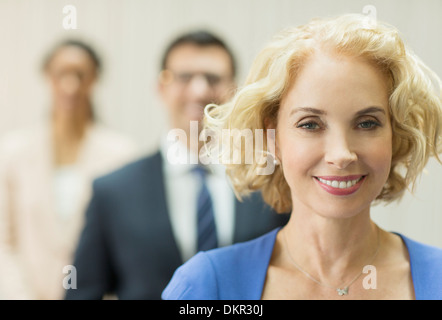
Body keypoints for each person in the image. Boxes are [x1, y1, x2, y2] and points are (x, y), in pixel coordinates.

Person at [162, 14, 442, 300]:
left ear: (395, 134)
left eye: (367, 123)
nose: (341, 154)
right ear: (273, 139)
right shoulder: (207, 285)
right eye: (310, 124)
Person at [65, 30, 288, 300]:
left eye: (213, 78)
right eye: (184, 77)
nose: (199, 90)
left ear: (235, 90)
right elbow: (81, 292)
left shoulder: (269, 179)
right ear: (161, 87)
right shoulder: (113, 192)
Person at [0, 39, 138, 299]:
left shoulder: (121, 154)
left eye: (80, 75)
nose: (70, 85)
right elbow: (3, 243)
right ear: (47, 77)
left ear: (95, 79)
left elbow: (123, 244)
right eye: (61, 73)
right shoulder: (13, 153)